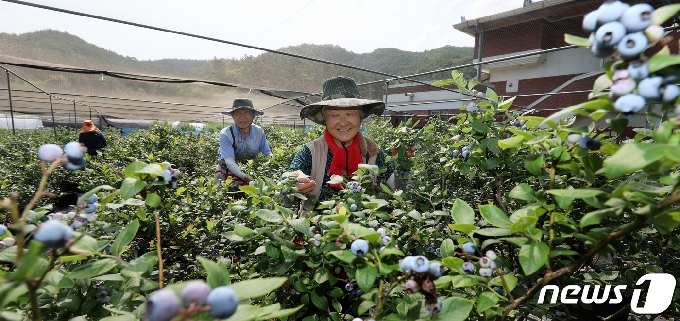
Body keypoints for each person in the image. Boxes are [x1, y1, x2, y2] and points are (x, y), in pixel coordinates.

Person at [288, 76, 395, 212]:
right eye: (334, 115)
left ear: (361, 117)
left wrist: (404, 163)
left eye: (350, 113)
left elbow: (399, 188)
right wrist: (292, 183)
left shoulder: (373, 151)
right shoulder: (310, 152)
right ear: (324, 118)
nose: (343, 122)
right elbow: (285, 190)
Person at [215, 98, 273, 185]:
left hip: (250, 170)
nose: (242, 117)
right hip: (227, 172)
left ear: (253, 115)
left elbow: (267, 154)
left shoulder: (259, 132)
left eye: (247, 113)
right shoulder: (226, 134)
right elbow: (230, 162)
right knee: (225, 195)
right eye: (238, 113)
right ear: (233, 116)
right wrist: (247, 178)